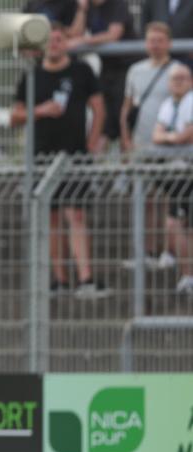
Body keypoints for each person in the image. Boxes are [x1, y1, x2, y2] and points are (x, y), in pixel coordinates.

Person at [10, 24, 110, 299]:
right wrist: (41, 110)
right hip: (42, 156)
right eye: (50, 40)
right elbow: (15, 116)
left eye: (59, 39)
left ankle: (86, 278)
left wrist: (92, 143)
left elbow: (98, 108)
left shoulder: (81, 71)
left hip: (74, 155)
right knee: (51, 217)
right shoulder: (32, 75)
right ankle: (60, 279)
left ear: (66, 42)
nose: (54, 43)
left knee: (76, 214)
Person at [120, 21, 175, 271]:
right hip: (142, 145)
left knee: (170, 200)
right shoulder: (135, 71)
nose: (155, 45)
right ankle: (147, 252)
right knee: (145, 199)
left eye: (160, 40)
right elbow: (127, 108)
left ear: (169, 43)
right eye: (151, 40)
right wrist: (126, 139)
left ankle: (169, 250)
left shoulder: (178, 70)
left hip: (169, 147)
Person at [66, 0, 137, 147]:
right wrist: (81, 10)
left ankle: (128, 157)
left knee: (123, 120)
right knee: (104, 121)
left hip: (127, 68)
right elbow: (75, 34)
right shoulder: (88, 7)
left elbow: (113, 35)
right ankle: (96, 159)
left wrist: (83, 41)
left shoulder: (118, 5)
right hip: (107, 69)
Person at [151, 63, 193, 294]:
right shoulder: (168, 104)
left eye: (182, 78)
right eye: (174, 78)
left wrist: (170, 137)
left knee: (183, 224)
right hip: (177, 173)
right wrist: (173, 137)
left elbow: (187, 135)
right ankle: (187, 274)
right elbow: (156, 135)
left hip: (189, 170)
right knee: (174, 222)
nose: (177, 82)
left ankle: (189, 274)